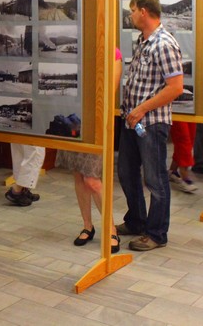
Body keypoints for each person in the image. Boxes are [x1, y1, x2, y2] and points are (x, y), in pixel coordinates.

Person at [117, 0, 183, 251]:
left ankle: (156, 233)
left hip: (151, 122)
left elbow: (175, 87)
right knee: (126, 172)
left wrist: (142, 109)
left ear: (143, 11)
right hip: (132, 120)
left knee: (155, 179)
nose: (131, 15)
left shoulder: (164, 43)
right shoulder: (143, 41)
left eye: (133, 10)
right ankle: (136, 220)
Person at [63, 47, 122, 253]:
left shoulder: (112, 52)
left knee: (92, 180)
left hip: (95, 120)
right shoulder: (77, 48)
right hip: (71, 118)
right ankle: (87, 225)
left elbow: (109, 92)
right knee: (78, 175)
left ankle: (111, 228)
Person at [169, 121, 198, 193]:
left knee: (191, 138)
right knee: (183, 139)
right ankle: (185, 177)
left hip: (191, 114)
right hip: (176, 114)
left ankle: (173, 171)